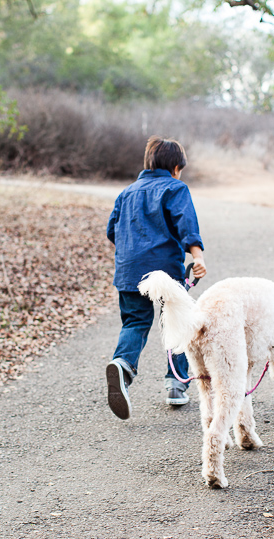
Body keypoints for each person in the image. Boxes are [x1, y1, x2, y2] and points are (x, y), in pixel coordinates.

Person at [105, 136, 207, 420]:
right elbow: (186, 224)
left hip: (127, 270)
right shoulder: (176, 188)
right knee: (176, 320)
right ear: (176, 166)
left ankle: (123, 365)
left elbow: (112, 231)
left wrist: (133, 251)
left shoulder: (126, 192)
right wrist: (197, 257)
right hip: (164, 271)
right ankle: (176, 384)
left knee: (136, 322)